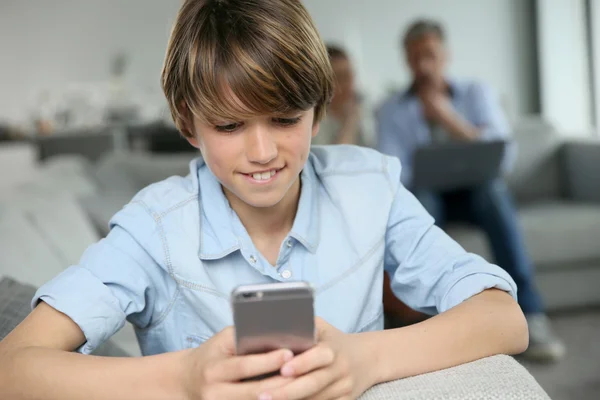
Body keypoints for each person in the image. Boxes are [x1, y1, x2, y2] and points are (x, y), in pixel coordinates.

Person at [0, 2, 528, 399]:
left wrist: (363, 359)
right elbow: (12, 367)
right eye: (229, 125)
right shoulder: (154, 227)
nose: (261, 152)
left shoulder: (372, 186)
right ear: (188, 123)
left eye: (284, 119)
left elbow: (503, 319)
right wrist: (184, 376)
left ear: (318, 113)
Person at [376, 19, 564, 362]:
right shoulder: (391, 110)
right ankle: (442, 325)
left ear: (445, 55)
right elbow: (394, 175)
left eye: (430, 55)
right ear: (406, 60)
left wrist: (446, 117)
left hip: (477, 193)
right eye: (415, 57)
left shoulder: (476, 92)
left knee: (492, 192)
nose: (423, 65)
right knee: (421, 205)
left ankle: (531, 315)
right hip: (428, 195)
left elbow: (503, 156)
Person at [312, 45, 375, 147]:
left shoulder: (367, 106)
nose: (348, 84)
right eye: (340, 77)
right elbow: (333, 161)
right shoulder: (315, 121)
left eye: (350, 75)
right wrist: (350, 121)